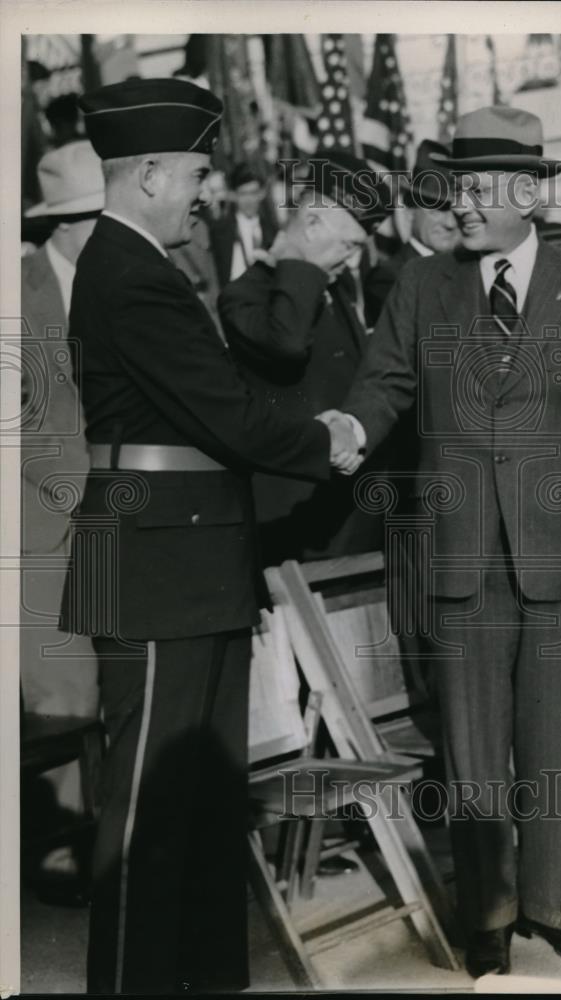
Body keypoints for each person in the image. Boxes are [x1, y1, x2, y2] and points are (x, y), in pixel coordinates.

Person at [332, 106, 561, 978]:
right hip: (458, 551)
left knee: (549, 737)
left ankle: (549, 907)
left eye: (476, 188)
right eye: (455, 188)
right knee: (471, 751)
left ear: (529, 194)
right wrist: (345, 428)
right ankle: (490, 915)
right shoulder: (423, 285)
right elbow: (383, 383)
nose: (462, 205)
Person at [58, 77, 352, 995]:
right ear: (147, 173)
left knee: (204, 801)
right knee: (150, 811)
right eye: (193, 173)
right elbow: (229, 417)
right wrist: (329, 440)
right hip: (154, 566)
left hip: (186, 562)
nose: (205, 192)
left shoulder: (142, 267)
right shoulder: (130, 273)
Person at [218, 152, 393, 566]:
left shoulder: (334, 289)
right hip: (299, 528)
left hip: (354, 515)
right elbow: (288, 343)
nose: (351, 258)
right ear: (312, 223)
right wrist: (292, 257)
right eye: (348, 244)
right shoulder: (246, 295)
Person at [21, 139, 105, 904]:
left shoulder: (122, 282)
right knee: (62, 691)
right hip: (39, 531)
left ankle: (99, 838)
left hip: (116, 516)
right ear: (77, 222)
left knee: (102, 683)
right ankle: (59, 850)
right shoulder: (18, 290)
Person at [363, 138, 459, 328]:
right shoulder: (389, 278)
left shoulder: (472, 270)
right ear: (409, 211)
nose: (449, 223)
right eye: (436, 209)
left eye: (456, 212)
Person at [209, 162, 279, 286]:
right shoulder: (221, 230)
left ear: (261, 193)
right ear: (234, 195)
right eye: (243, 194)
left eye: (253, 193)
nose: (249, 200)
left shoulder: (272, 230)